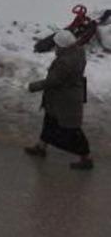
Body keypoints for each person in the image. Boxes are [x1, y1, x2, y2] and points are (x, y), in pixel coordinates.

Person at [25, 30, 93, 170]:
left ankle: (86, 158)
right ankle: (41, 147)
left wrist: (34, 86)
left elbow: (53, 81)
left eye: (56, 45)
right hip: (61, 97)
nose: (54, 47)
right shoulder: (78, 51)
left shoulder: (65, 61)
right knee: (50, 121)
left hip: (65, 99)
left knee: (71, 131)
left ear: (62, 46)